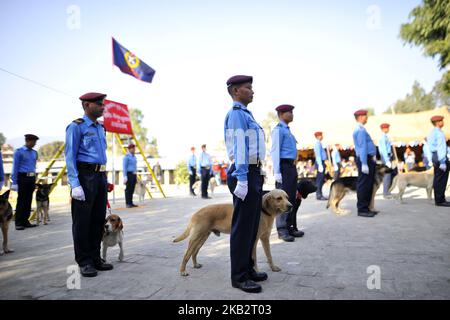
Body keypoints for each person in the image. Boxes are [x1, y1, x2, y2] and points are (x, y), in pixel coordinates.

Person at [224, 75, 267, 293]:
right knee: (242, 228)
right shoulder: (236, 115)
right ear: (235, 91)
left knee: (251, 226)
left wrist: (258, 171)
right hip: (244, 173)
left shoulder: (247, 115)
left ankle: (248, 268)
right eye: (248, 88)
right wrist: (241, 177)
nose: (252, 91)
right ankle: (239, 276)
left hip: (252, 171)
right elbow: (240, 146)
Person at [65, 92, 113, 277]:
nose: (103, 107)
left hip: (100, 176)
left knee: (97, 220)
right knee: (82, 222)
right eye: (99, 104)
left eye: (103, 103)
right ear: (86, 105)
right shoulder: (76, 127)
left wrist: (105, 179)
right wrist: (75, 184)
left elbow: (101, 156)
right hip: (84, 178)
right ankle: (84, 261)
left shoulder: (101, 128)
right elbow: (70, 157)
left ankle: (95, 258)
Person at [270, 104, 303, 242]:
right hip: (283, 167)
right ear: (281, 114)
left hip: (290, 167)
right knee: (282, 199)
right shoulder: (278, 130)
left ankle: (290, 226)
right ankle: (282, 229)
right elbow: (275, 151)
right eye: (289, 112)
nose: (292, 114)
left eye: (292, 112)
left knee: (291, 198)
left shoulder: (287, 130)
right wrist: (277, 171)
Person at [352, 109, 378, 217]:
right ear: (361, 117)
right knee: (364, 184)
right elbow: (362, 147)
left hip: (368, 158)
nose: (367, 118)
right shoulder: (360, 130)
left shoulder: (361, 129)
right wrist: (364, 163)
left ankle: (366, 207)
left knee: (368, 184)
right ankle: (362, 209)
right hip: (365, 159)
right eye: (365, 116)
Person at [11, 134, 39, 230]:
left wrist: (34, 178)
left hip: (31, 178)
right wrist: (14, 182)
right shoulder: (19, 152)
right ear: (28, 141)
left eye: (35, 142)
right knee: (21, 201)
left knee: (28, 200)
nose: (34, 144)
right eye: (33, 142)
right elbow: (15, 167)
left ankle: (25, 221)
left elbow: (34, 166)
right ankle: (18, 222)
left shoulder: (35, 153)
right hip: (22, 178)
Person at [427, 115, 450, 207]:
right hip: (440, 157)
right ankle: (440, 200)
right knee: (441, 179)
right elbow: (441, 148)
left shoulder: (432, 132)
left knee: (438, 178)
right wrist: (443, 161)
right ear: (437, 123)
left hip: (435, 156)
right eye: (441, 121)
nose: (443, 122)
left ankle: (439, 199)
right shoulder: (439, 133)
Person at [378, 123, 393, 197]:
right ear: (384, 129)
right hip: (385, 157)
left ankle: (387, 191)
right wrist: (387, 160)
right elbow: (384, 150)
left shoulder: (386, 137)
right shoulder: (383, 138)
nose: (388, 129)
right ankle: (386, 192)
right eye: (387, 128)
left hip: (387, 157)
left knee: (388, 175)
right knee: (387, 175)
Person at [313, 131, 328, 200]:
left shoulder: (319, 143)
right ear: (318, 136)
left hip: (321, 162)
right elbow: (318, 155)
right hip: (320, 162)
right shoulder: (317, 143)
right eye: (321, 135)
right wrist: (320, 164)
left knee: (321, 179)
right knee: (320, 180)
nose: (322, 136)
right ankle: (319, 194)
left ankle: (319, 194)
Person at [123, 144, 138, 208]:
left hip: (134, 174)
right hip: (129, 174)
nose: (134, 150)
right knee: (128, 189)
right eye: (133, 148)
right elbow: (124, 167)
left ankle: (131, 202)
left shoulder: (134, 157)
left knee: (132, 189)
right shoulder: (126, 157)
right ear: (129, 149)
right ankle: (128, 203)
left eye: (134, 148)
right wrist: (125, 176)